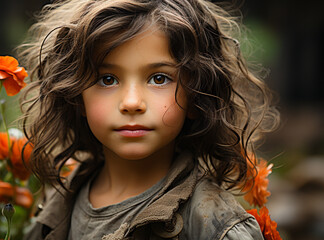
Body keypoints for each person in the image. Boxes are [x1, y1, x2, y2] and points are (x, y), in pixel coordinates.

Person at [18, 0, 279, 239]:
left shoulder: (213, 225)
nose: (132, 102)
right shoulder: (59, 204)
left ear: (196, 95)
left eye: (159, 78)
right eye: (107, 79)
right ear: (76, 96)